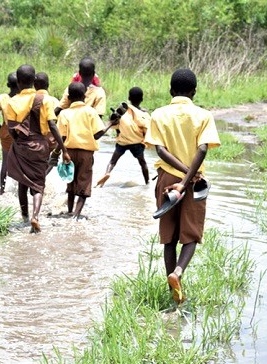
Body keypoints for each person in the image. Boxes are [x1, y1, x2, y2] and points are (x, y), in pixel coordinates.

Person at [144, 68, 221, 304]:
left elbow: (160, 150)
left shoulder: (158, 114)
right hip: (194, 182)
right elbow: (202, 149)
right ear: (194, 92)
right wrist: (188, 178)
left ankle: (173, 293)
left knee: (169, 237)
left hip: (168, 178)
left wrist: (179, 179)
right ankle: (177, 273)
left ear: (170, 91)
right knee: (190, 234)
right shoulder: (203, 115)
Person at [4, 64, 70, 233]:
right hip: (40, 145)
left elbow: (11, 128)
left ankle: (24, 216)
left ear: (18, 82)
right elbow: (52, 125)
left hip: (20, 145)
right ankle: (35, 216)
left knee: (22, 182)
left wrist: (19, 142)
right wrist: (63, 149)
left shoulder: (11, 102)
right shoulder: (45, 100)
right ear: (34, 81)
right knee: (38, 185)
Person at [57, 82, 117, 220]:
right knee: (84, 184)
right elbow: (97, 135)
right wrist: (109, 124)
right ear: (84, 96)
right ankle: (76, 215)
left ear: (69, 97)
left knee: (70, 182)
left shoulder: (64, 113)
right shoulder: (91, 112)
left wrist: (61, 152)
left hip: (69, 152)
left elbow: (62, 137)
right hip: (86, 154)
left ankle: (70, 211)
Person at [96, 86, 150, 187]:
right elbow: (147, 129)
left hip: (122, 142)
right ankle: (147, 184)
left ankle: (107, 173)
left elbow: (114, 124)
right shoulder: (144, 114)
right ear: (142, 99)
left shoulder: (122, 112)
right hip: (136, 143)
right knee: (143, 163)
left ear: (129, 98)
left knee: (112, 161)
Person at [0, 72, 19, 195]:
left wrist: (0, 127)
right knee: (21, 161)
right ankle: (22, 190)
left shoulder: (2, 97)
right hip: (20, 132)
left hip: (6, 131)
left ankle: (2, 190)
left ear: (8, 84)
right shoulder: (21, 98)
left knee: (5, 162)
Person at [33, 72, 62, 175]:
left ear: (34, 85)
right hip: (51, 136)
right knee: (53, 158)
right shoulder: (54, 101)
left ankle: (36, 179)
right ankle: (43, 177)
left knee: (35, 162)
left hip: (34, 136)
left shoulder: (31, 99)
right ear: (48, 85)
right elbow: (58, 121)